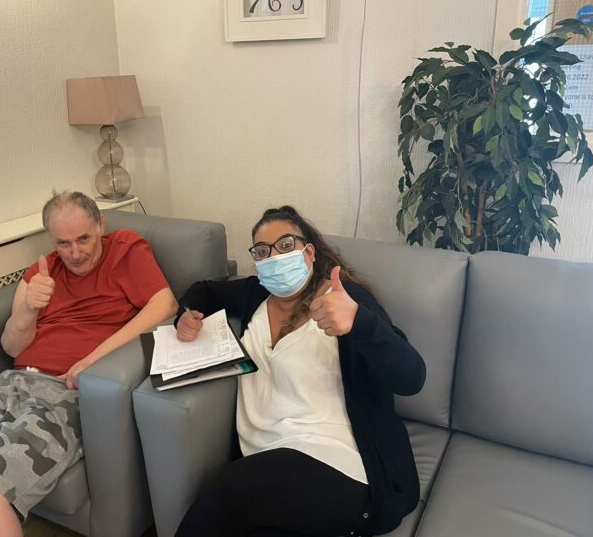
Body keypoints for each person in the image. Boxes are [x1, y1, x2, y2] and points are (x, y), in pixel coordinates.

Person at [0, 191, 178, 537]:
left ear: (101, 225)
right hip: (11, 384)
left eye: (84, 238)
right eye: (63, 243)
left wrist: (90, 361)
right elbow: (11, 346)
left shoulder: (126, 249)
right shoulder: (40, 274)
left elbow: (165, 305)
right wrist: (28, 309)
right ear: (51, 239)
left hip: (66, 393)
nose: (75, 253)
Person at [174, 206, 425, 537]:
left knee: (229, 491)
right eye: (263, 251)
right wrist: (186, 314)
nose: (275, 257)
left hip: (338, 458)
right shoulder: (255, 294)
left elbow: (412, 377)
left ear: (309, 252)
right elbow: (204, 290)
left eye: (285, 245)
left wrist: (360, 322)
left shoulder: (345, 300)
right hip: (266, 458)